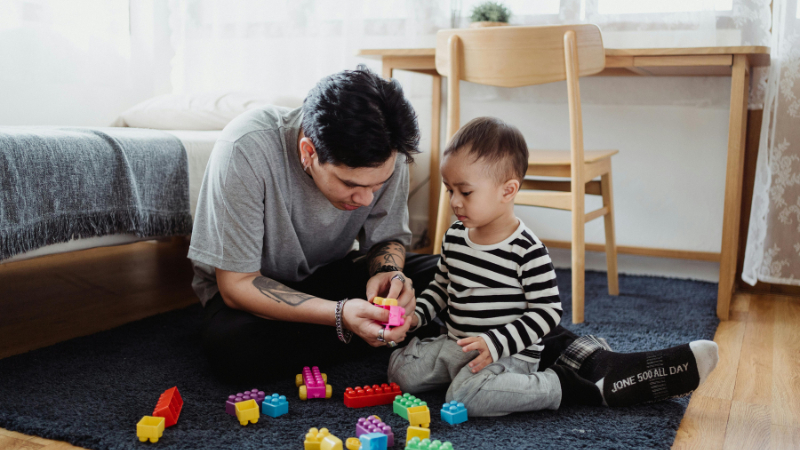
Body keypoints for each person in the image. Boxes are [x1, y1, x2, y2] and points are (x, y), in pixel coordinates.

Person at [387, 117, 720, 416]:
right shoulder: (455, 237)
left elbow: (546, 313)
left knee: (464, 396)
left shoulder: (526, 248)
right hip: (459, 343)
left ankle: (559, 384)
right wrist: (416, 316)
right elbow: (442, 288)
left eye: (466, 192)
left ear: (508, 190)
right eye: (449, 190)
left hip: (509, 353)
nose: (455, 201)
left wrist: (495, 343)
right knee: (400, 373)